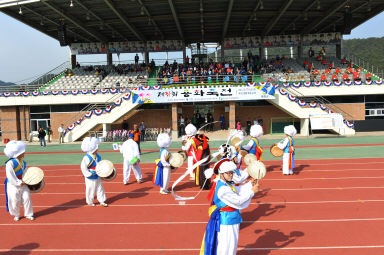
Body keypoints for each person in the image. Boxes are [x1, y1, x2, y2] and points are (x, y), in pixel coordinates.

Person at [200, 160, 259, 255]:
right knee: (227, 246)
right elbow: (238, 201)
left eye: (232, 172)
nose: (231, 175)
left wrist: (250, 184)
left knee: (230, 245)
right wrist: (252, 192)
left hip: (230, 218)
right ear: (222, 173)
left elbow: (237, 189)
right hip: (227, 220)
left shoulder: (224, 183)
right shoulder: (223, 188)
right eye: (229, 173)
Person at [4, 141, 34, 221]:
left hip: (23, 183)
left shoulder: (23, 162)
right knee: (15, 200)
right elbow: (10, 175)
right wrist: (18, 182)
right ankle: (16, 214)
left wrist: (30, 179)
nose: (24, 153)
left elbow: (25, 172)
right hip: (13, 184)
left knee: (27, 198)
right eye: (22, 152)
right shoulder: (9, 163)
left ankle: (28, 214)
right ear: (18, 153)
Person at [80, 137, 108, 206]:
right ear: (92, 149)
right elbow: (83, 167)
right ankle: (90, 202)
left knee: (100, 188)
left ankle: (102, 200)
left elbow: (100, 164)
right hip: (90, 176)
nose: (97, 149)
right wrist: (89, 173)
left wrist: (103, 172)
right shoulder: (86, 157)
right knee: (90, 189)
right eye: (96, 148)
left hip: (97, 174)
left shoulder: (98, 156)